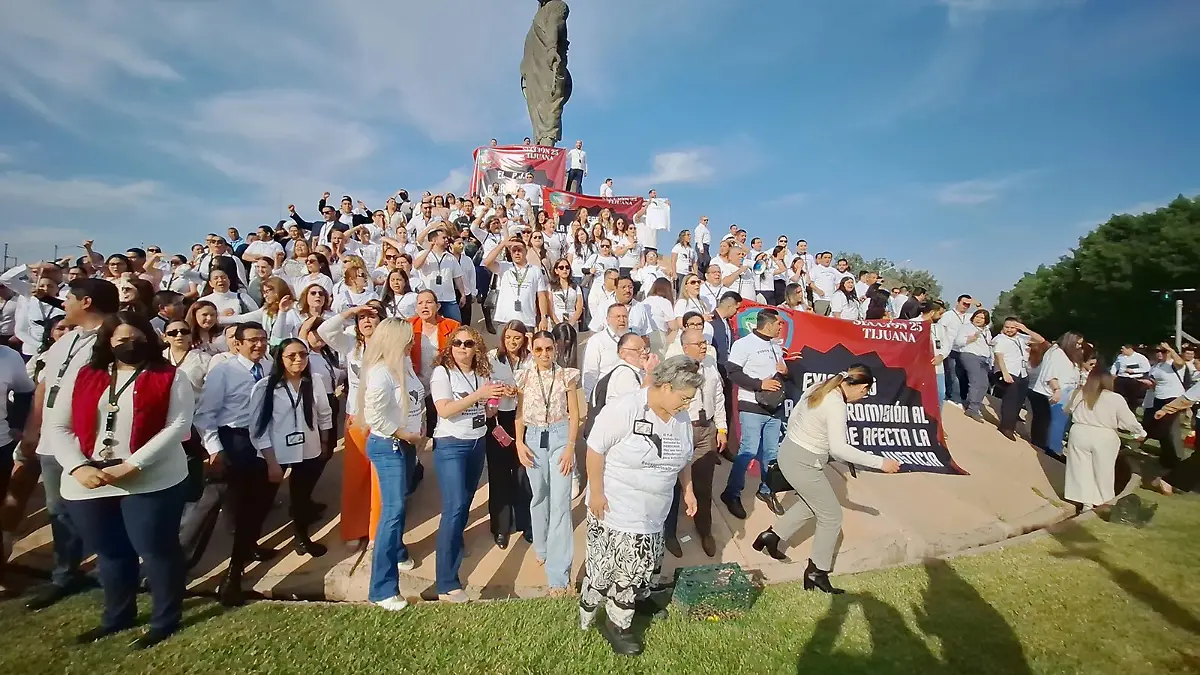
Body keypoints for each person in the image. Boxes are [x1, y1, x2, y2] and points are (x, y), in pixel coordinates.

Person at [46, 311, 194, 648]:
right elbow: (58, 425)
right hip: (90, 478)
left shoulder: (170, 376)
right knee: (111, 552)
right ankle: (117, 615)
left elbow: (177, 426)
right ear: (108, 342)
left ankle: (164, 619)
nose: (130, 345)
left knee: (156, 550)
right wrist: (78, 467)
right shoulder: (85, 375)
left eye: (137, 338)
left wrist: (133, 464)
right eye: (122, 339)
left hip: (151, 478)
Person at [580, 356, 704, 655]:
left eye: (690, 399)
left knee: (647, 562)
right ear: (665, 387)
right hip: (618, 505)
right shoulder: (625, 408)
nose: (687, 405)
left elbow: (684, 459)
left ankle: (639, 598)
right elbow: (595, 450)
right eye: (684, 398)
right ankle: (617, 624)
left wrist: (688, 491)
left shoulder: (680, 418)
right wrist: (596, 493)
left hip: (655, 509)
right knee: (624, 568)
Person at [751, 365, 901, 594]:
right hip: (804, 462)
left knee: (812, 504)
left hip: (791, 452)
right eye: (865, 393)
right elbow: (839, 448)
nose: (862, 398)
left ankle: (771, 536)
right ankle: (817, 572)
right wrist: (881, 463)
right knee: (831, 517)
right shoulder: (836, 404)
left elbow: (795, 417)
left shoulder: (820, 387)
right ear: (862, 387)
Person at [21, 278, 120, 612]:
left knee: (100, 510)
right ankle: (65, 574)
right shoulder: (65, 340)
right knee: (59, 510)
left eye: (69, 298)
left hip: (90, 443)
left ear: (86, 302)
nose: (64, 304)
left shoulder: (113, 339)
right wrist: (33, 429)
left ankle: (111, 572)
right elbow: (44, 386)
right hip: (53, 441)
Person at [193, 322, 277, 606]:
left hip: (263, 440)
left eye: (263, 339)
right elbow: (205, 414)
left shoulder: (268, 368)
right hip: (234, 441)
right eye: (252, 340)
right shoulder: (224, 371)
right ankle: (227, 575)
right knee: (232, 507)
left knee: (259, 503)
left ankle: (246, 550)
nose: (259, 345)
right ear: (237, 344)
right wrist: (215, 449)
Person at [429, 325, 504, 603]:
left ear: (477, 348)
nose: (462, 347)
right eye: (457, 343)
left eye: (468, 343)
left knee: (465, 503)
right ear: (450, 347)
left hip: (476, 442)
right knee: (455, 507)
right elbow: (444, 410)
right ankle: (446, 583)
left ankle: (454, 544)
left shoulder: (481, 373)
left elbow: (486, 409)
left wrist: (491, 403)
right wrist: (478, 396)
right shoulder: (443, 373)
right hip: (451, 444)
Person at [358, 319, 426, 611]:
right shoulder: (380, 374)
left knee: (401, 502)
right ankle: (382, 589)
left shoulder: (403, 364)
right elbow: (374, 417)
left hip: (405, 444)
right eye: (408, 339)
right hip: (390, 445)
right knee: (393, 511)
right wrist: (405, 434)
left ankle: (396, 550)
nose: (412, 344)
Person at [249, 338, 334, 557]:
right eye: (292, 356)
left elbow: (324, 414)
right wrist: (271, 462)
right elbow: (258, 428)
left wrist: (324, 442)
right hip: (277, 453)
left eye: (303, 354)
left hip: (308, 449)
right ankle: (248, 545)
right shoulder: (265, 387)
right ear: (280, 358)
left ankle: (302, 538)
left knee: (302, 498)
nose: (299, 360)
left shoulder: (314, 381)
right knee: (262, 501)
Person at [513, 331, 581, 595]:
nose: (544, 354)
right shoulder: (524, 376)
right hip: (533, 438)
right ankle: (541, 546)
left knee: (561, 502)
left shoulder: (566, 376)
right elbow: (520, 413)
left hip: (560, 436)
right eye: (539, 349)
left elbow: (574, 413)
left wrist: (570, 447)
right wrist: (519, 443)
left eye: (549, 349)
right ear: (532, 350)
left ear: (556, 349)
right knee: (540, 495)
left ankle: (558, 576)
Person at [664, 327, 725, 558]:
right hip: (683, 429)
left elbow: (718, 397)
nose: (703, 347)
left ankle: (705, 530)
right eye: (698, 344)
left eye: (704, 343)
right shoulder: (674, 369)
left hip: (706, 429)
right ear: (685, 347)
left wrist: (722, 428)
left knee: (703, 484)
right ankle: (669, 533)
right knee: (674, 484)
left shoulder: (710, 365)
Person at [721, 308, 787, 519]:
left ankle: (766, 490)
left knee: (772, 453)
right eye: (778, 323)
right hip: (751, 406)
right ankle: (732, 493)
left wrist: (785, 371)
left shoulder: (775, 346)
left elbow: (780, 372)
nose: (781, 326)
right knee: (748, 450)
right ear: (767, 324)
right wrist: (760, 384)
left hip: (774, 408)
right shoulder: (743, 344)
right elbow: (732, 372)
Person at [1063, 361, 1146, 511]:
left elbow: (1066, 409)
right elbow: (1128, 420)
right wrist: (1140, 433)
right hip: (1104, 436)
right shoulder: (1115, 398)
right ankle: (1103, 501)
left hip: (1079, 432)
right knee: (1103, 470)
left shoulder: (1078, 393)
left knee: (1080, 469)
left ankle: (1085, 502)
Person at [486, 321, 533, 548]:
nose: (512, 342)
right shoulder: (492, 358)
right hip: (499, 420)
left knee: (524, 473)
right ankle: (501, 527)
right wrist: (499, 391)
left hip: (525, 418)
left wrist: (519, 391)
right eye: (508, 337)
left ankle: (526, 522)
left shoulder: (531, 358)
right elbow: (484, 385)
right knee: (499, 473)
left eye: (517, 337)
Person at [1028, 332, 1085, 458]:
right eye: (1077, 343)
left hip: (1066, 390)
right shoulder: (1057, 353)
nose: (1079, 346)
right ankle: (1051, 448)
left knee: (1054, 422)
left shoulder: (1065, 354)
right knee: (1054, 422)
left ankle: (1049, 446)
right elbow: (1051, 374)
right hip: (1056, 391)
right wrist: (1057, 390)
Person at [991, 318, 1043, 439]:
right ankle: (1006, 427)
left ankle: (1011, 425)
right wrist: (1005, 373)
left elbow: (1040, 340)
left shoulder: (1021, 337)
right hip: (1008, 371)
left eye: (1012, 327)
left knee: (1019, 401)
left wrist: (1025, 329)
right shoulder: (1000, 339)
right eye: (1007, 327)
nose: (1009, 330)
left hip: (1022, 372)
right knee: (1011, 399)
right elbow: (999, 356)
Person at [1141, 342, 1191, 468]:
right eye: (1157, 351)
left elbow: (1180, 363)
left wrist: (1170, 349)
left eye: (1162, 351)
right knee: (1162, 430)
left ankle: (1178, 459)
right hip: (1159, 398)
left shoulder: (1174, 363)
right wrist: (1149, 384)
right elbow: (1155, 382)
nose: (1159, 354)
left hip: (1173, 399)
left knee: (1171, 430)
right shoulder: (1157, 366)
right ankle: (1166, 457)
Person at [953, 308, 993, 422]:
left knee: (984, 384)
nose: (979, 319)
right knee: (975, 381)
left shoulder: (987, 330)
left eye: (982, 318)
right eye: (977, 316)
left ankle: (975, 406)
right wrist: (970, 340)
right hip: (970, 355)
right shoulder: (967, 327)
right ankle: (972, 409)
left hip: (984, 358)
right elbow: (958, 342)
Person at [1110, 345, 1152, 412]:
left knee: (1132, 397)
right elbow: (1116, 365)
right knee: (1119, 396)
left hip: (1134, 379)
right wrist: (1113, 373)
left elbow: (1147, 368)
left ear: (1129, 349)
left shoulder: (1140, 357)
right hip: (1121, 378)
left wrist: (1133, 371)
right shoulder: (1120, 357)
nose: (1121, 350)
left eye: (1123, 349)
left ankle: (1132, 410)